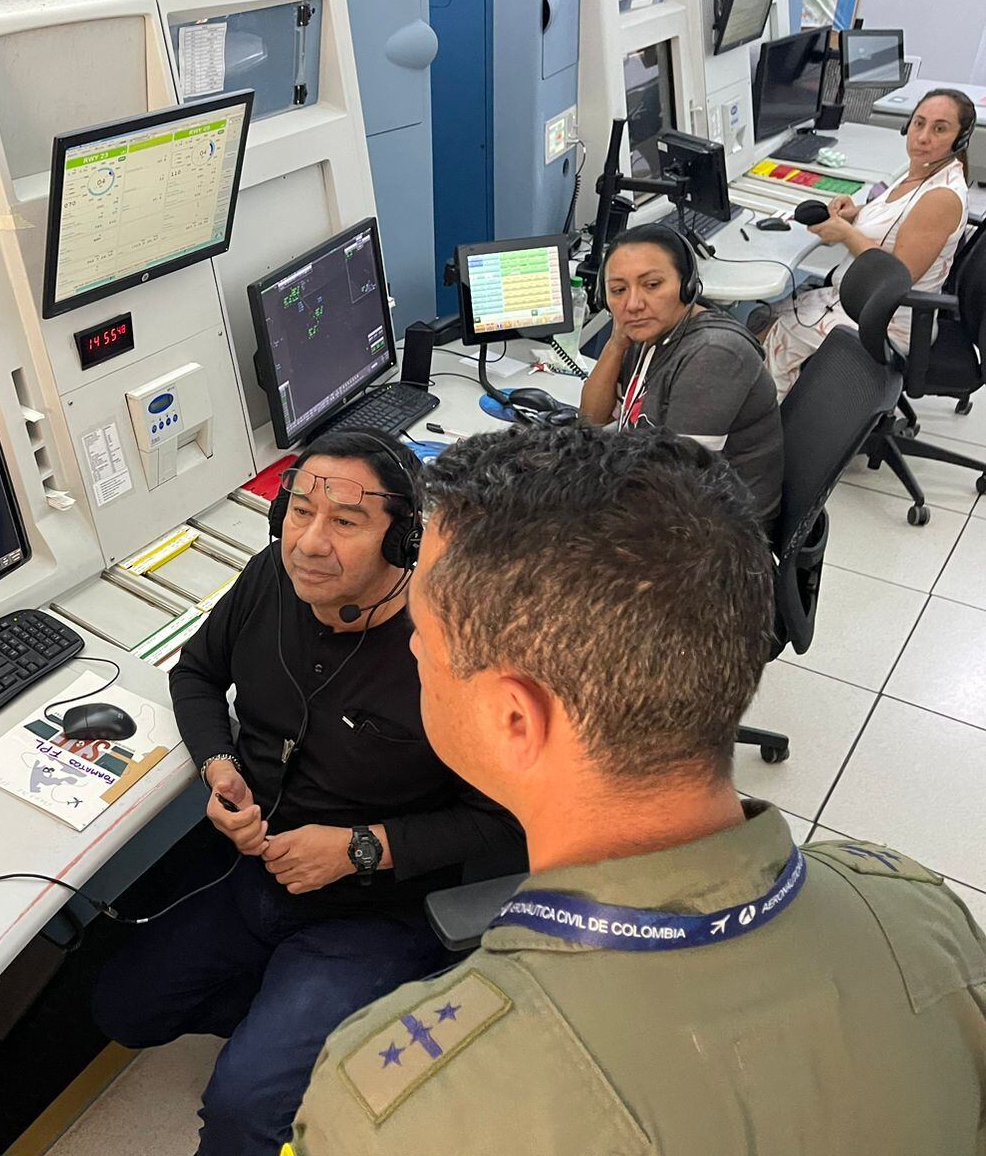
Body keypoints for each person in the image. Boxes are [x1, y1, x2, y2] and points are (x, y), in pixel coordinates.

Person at [290, 425, 986, 1155]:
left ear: (514, 719)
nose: (411, 648)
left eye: (423, 637)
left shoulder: (400, 1110)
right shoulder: (921, 911)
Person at [91, 428, 526, 1156]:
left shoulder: (452, 646)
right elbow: (195, 673)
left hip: (373, 912)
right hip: (251, 873)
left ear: (401, 539)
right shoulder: (273, 578)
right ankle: (291, 1024)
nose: (310, 543)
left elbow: (506, 822)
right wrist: (217, 763)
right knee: (121, 1009)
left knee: (241, 1113)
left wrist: (362, 848)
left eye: (346, 522)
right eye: (298, 513)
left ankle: (300, 1037)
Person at [763, 87, 975, 399]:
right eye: (919, 124)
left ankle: (772, 434)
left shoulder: (940, 196)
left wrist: (848, 235)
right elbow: (900, 219)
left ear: (959, 139)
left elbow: (897, 276)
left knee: (779, 332)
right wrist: (856, 214)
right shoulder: (922, 173)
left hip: (888, 321)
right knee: (767, 316)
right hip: (860, 301)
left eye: (939, 128)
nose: (924, 137)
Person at [580, 223, 783, 524]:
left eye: (652, 285)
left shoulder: (714, 354)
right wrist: (616, 341)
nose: (633, 304)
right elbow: (591, 421)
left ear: (687, 285)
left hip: (718, 532)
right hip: (672, 501)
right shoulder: (648, 332)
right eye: (618, 290)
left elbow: (675, 486)